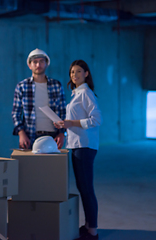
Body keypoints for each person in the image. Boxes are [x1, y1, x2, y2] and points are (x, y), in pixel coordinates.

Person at [54, 60, 102, 240]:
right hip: (76, 144)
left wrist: (70, 123)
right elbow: (75, 121)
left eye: (79, 71)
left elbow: (96, 119)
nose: (74, 75)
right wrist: (63, 124)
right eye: (72, 72)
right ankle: (89, 226)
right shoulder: (77, 94)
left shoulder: (86, 93)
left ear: (86, 74)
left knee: (87, 189)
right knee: (83, 188)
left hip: (84, 146)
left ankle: (93, 232)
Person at [12, 48, 66, 149]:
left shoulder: (56, 85)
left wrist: (62, 133)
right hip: (29, 136)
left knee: (52, 165)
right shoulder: (22, 86)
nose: (38, 65)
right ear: (29, 65)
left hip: (53, 136)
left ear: (46, 64)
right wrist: (21, 133)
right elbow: (16, 113)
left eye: (41, 61)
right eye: (35, 62)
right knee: (30, 165)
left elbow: (63, 112)